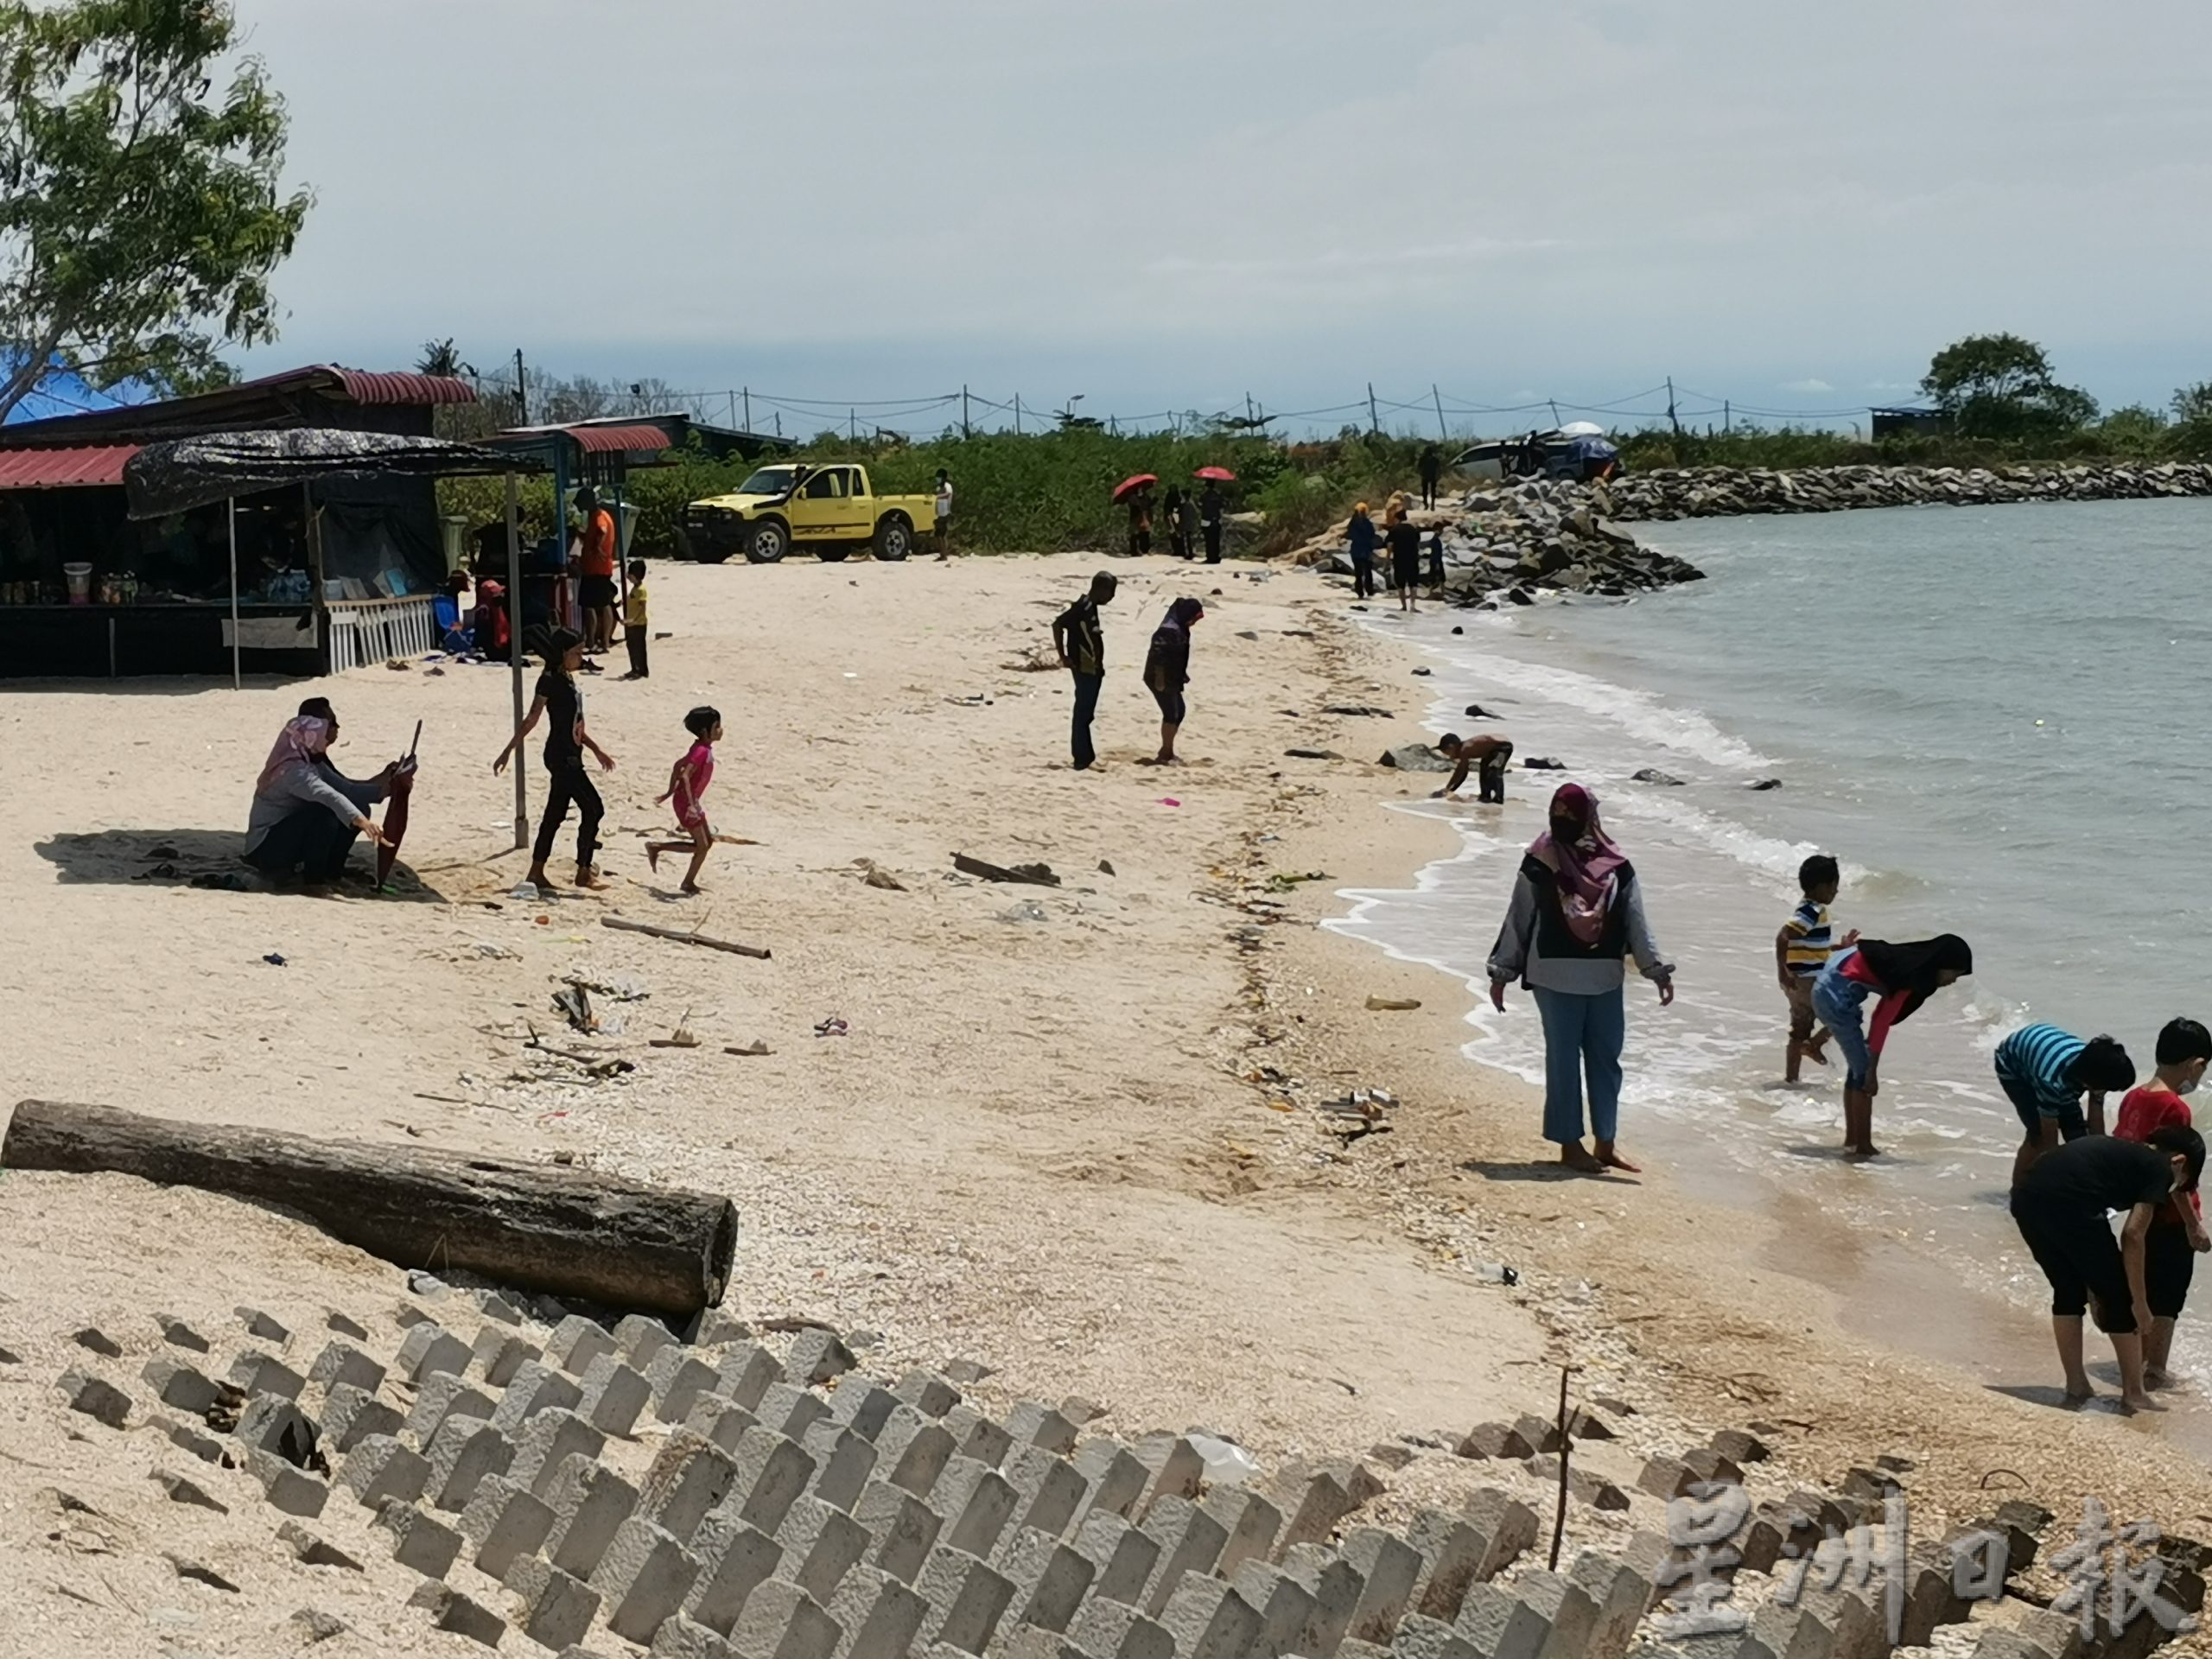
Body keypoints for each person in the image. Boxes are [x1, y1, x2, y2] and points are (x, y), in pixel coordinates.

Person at [1488, 783, 1675, 1173]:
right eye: (1560, 813)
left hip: (1601, 975)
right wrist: (1502, 971)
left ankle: (1603, 1144)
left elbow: (1635, 921)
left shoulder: (1616, 867)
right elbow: (1520, 916)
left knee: (1601, 1060)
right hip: (1557, 976)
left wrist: (1655, 969)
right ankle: (1571, 1146)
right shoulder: (1541, 861)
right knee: (1573, 1061)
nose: (1563, 821)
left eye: (1569, 814)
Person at [2010, 1123, 2204, 1412]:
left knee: (2068, 1289)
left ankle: (2077, 1384)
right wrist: (2139, 1303)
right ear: (2180, 1161)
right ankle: (2134, 1392)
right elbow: (2133, 1235)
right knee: (2119, 1297)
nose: (2175, 1188)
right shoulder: (2160, 1168)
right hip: (2071, 1202)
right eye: (2182, 1182)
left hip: (2026, 1196)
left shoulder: (2130, 1153)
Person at [1809, 933, 1974, 1157]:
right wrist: (1873, 1071)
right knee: (1863, 1073)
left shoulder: (1901, 959)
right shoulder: (1908, 975)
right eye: (1955, 973)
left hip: (1831, 982)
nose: (1954, 980)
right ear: (1941, 964)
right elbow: (1881, 1021)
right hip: (1833, 995)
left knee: (1857, 1070)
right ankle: (1863, 1145)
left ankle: (1853, 1140)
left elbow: (1859, 954)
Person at [2114, 1018, 2212, 1387]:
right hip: (2169, 1218)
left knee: (2142, 1288)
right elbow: (2178, 1178)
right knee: (2168, 1295)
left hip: (2140, 1211)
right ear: (2196, 1064)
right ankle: (2155, 1368)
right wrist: (2193, 1224)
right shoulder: (2176, 1109)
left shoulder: (2133, 1098)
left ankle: (2136, 1361)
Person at [493, 626, 616, 893]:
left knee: (555, 813)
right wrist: (508, 750)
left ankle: (537, 870)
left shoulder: (568, 679)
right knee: (594, 808)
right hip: (561, 757)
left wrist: (596, 749)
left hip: (572, 752)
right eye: (576, 653)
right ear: (563, 653)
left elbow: (575, 725)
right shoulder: (550, 679)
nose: (580, 658)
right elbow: (532, 718)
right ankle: (583, 870)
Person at [244, 707, 389, 889]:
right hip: (264, 848)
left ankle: (332, 872)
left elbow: (346, 789)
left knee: (357, 806)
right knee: (324, 815)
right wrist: (363, 822)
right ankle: (314, 881)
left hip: (289, 836)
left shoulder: (310, 760)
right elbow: (328, 796)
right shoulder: (293, 772)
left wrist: (388, 785)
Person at [1997, 1024, 2137, 1187]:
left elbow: (2095, 1129)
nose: (2103, 1092)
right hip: (2012, 1064)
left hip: (2050, 1050)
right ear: (2090, 1083)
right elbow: (2050, 1144)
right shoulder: (2051, 1082)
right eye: (2103, 1089)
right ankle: (2019, 1193)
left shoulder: (2097, 1062)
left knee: (2078, 1137)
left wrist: (2100, 1156)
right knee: (2037, 1136)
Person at [1776, 854, 1851, 1084]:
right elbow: (1783, 937)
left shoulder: (1806, 908)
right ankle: (1815, 1044)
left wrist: (1840, 947)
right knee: (1844, 1013)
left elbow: (1810, 947)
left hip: (1798, 982)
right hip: (1810, 982)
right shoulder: (1813, 911)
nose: (1835, 893)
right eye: (1833, 887)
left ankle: (1791, 1080)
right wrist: (1782, 970)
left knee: (1798, 1030)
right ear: (1822, 887)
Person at [648, 706, 722, 894]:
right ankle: (661, 851)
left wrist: (669, 792)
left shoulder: (699, 748)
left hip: (690, 802)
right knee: (702, 846)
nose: (721, 730)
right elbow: (685, 775)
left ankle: (683, 875)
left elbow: (677, 766)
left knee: (707, 842)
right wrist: (690, 803)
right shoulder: (701, 752)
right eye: (717, 726)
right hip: (687, 804)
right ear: (706, 731)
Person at [1052, 571, 1116, 771]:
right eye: (1111, 592)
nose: (1112, 597)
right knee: (1082, 713)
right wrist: (1063, 656)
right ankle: (1081, 758)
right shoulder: (1083, 607)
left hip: (1093, 667)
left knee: (1087, 714)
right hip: (1083, 666)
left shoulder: (1092, 608)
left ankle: (1086, 756)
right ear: (1101, 589)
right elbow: (1058, 624)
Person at [1142, 597, 1203, 764]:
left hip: (1172, 676)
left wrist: (1182, 674)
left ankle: (1166, 749)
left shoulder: (1180, 626)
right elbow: (1159, 656)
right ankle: (1166, 752)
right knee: (1171, 713)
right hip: (1159, 677)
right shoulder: (1169, 630)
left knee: (1180, 711)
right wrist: (1160, 680)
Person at [574, 487, 619, 664]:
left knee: (598, 604)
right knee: (596, 604)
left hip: (597, 568)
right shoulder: (596, 516)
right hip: (596, 567)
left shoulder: (599, 516)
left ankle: (600, 642)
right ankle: (595, 641)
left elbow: (602, 530)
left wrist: (597, 547)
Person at [1433, 732, 1513, 804]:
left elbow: (1463, 773)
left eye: (1448, 753)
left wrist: (1451, 790)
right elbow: (1459, 771)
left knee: (1493, 771)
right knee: (1484, 770)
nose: (1450, 757)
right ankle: (1486, 796)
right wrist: (1448, 787)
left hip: (1502, 747)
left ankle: (1498, 799)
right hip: (1495, 748)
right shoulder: (1465, 748)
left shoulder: (1464, 750)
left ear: (1451, 747)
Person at [1386, 511, 1422, 613]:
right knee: (1413, 583)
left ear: (1397, 519)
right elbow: (1417, 543)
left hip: (1399, 560)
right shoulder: (1413, 529)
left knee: (1401, 584)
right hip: (1412, 559)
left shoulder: (1394, 530)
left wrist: (1387, 560)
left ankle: (1404, 606)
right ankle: (1413, 605)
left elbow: (1389, 546)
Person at [620, 560, 652, 680]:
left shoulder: (641, 590)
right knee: (631, 646)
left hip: (638, 624)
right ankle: (635, 668)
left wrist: (633, 620)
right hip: (631, 623)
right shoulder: (634, 589)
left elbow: (642, 607)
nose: (628, 576)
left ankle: (641, 670)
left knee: (639, 647)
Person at [471, 578, 511, 663]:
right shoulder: (487, 611)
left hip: (499, 650)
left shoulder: (484, 611)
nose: (501, 594)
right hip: (498, 652)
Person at [1345, 503, 1378, 600]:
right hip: (1367, 549)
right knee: (1368, 571)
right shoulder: (1368, 523)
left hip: (1356, 550)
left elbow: (1349, 535)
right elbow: (1372, 535)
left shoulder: (1353, 523)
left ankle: (1360, 592)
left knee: (1358, 572)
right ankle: (1369, 590)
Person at [1200, 479, 1225, 563]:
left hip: (1207, 520)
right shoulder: (1218, 496)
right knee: (1216, 540)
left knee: (1208, 540)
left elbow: (1200, 506)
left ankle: (1210, 557)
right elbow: (1221, 508)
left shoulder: (1204, 496)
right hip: (1216, 520)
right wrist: (1221, 518)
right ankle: (1216, 557)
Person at [1127, 486, 1154, 557]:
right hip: (1136, 517)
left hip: (1145, 517)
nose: (1140, 490)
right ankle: (1134, 551)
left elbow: (1149, 504)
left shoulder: (1146, 496)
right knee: (1134, 534)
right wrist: (1138, 504)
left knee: (1145, 533)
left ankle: (1145, 549)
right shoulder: (1132, 497)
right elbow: (1133, 505)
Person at [933, 469, 954, 560]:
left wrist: (937, 496)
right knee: (938, 534)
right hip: (938, 513)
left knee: (941, 534)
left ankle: (944, 554)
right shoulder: (938, 487)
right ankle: (942, 554)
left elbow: (948, 494)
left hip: (945, 513)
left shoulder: (947, 486)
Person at [1162, 488, 1188, 561]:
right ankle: (1180, 550)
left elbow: (1166, 509)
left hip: (1172, 516)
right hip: (1176, 516)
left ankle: (1177, 550)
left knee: (1174, 533)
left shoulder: (1169, 499)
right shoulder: (1178, 499)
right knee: (1177, 533)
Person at [1177, 490, 1199, 564]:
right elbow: (1196, 513)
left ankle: (1189, 553)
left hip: (1187, 523)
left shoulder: (1186, 504)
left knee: (1188, 539)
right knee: (1189, 538)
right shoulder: (1190, 503)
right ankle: (1190, 552)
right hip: (1190, 523)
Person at [1419, 442, 1443, 509]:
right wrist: (1438, 476)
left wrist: (1421, 474)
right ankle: (1432, 504)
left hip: (1425, 476)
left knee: (1425, 491)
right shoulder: (1435, 459)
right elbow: (1439, 468)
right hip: (1432, 476)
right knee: (1432, 491)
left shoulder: (1422, 459)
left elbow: (1419, 468)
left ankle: (1426, 503)